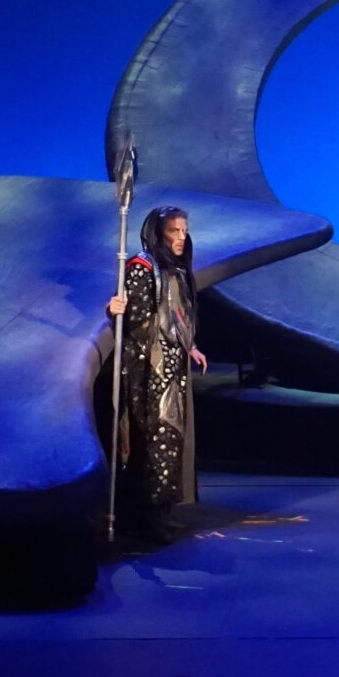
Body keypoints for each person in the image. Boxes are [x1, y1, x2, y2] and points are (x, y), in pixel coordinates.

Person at [106, 205, 206, 542]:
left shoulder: (174, 269)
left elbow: (176, 317)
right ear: (158, 233)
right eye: (174, 231)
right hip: (148, 369)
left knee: (169, 437)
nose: (181, 237)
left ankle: (162, 511)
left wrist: (189, 346)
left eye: (184, 231)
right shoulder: (142, 266)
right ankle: (145, 517)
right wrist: (115, 310)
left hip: (171, 367)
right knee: (153, 438)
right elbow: (136, 320)